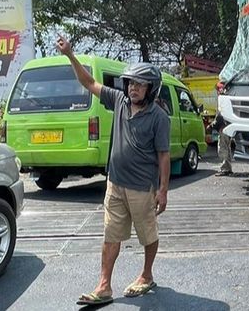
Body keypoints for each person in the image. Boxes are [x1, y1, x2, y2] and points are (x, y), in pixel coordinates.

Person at [55, 36, 170, 306]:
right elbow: (88, 82)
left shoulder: (159, 117)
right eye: (131, 83)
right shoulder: (118, 100)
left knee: (148, 235)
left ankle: (146, 275)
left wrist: (163, 190)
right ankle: (104, 285)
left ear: (151, 89)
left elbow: (163, 156)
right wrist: (70, 54)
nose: (133, 88)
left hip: (142, 188)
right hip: (115, 184)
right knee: (110, 234)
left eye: (140, 84)